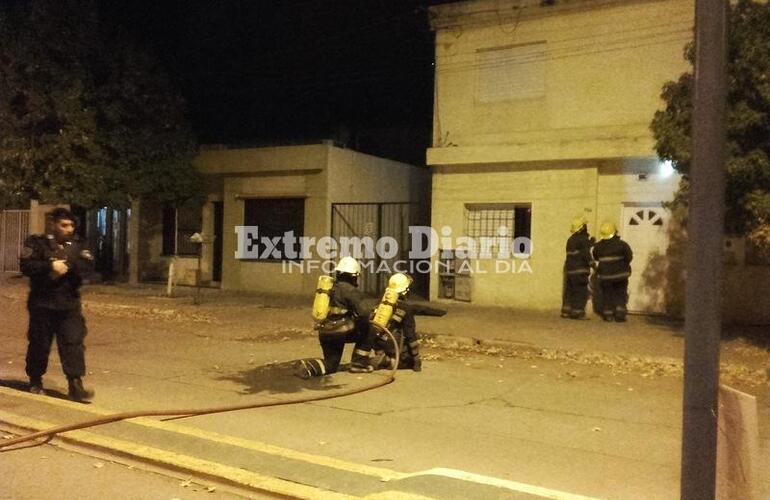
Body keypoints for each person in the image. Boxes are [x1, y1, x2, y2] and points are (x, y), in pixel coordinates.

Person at [19, 207, 95, 401]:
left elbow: (87, 268)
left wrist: (66, 263)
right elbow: (26, 266)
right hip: (42, 303)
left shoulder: (79, 245)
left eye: (71, 225)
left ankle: (75, 384)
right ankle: (35, 379)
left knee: (73, 343)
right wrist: (50, 265)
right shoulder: (37, 243)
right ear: (53, 224)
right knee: (39, 343)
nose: (69, 229)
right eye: (64, 225)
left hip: (69, 303)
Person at [295, 256, 378, 378]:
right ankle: (358, 363)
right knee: (370, 329)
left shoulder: (330, 288)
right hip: (339, 333)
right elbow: (363, 314)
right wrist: (362, 326)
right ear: (353, 276)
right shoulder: (351, 291)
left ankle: (309, 366)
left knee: (331, 365)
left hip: (324, 332)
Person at [370, 273, 447, 372]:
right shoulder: (406, 308)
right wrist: (416, 360)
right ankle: (389, 361)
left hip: (380, 344)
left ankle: (381, 356)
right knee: (408, 360)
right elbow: (410, 335)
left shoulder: (381, 303)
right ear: (405, 291)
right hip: (394, 347)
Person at [592, 222, 633, 322]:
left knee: (607, 295)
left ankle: (608, 315)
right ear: (614, 232)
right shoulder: (623, 245)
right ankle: (620, 314)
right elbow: (629, 257)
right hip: (621, 275)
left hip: (605, 276)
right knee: (620, 294)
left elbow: (596, 257)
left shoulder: (598, 246)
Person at [561, 217, 594, 320]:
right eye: (585, 226)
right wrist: (593, 265)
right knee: (580, 291)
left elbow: (578, 249)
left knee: (569, 291)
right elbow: (585, 254)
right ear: (582, 228)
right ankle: (577, 313)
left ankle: (566, 311)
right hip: (580, 270)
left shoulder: (570, 239)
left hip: (570, 270)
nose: (586, 227)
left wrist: (590, 243)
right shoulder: (583, 239)